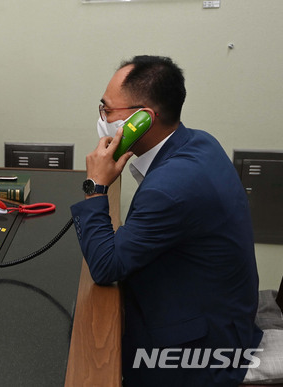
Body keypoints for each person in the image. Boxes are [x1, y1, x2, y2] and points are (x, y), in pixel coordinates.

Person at [70, 55, 262, 386]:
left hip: (202, 352)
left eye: (107, 110)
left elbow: (105, 267)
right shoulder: (197, 141)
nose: (101, 118)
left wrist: (95, 187)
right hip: (220, 311)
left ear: (142, 120)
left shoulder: (172, 186)